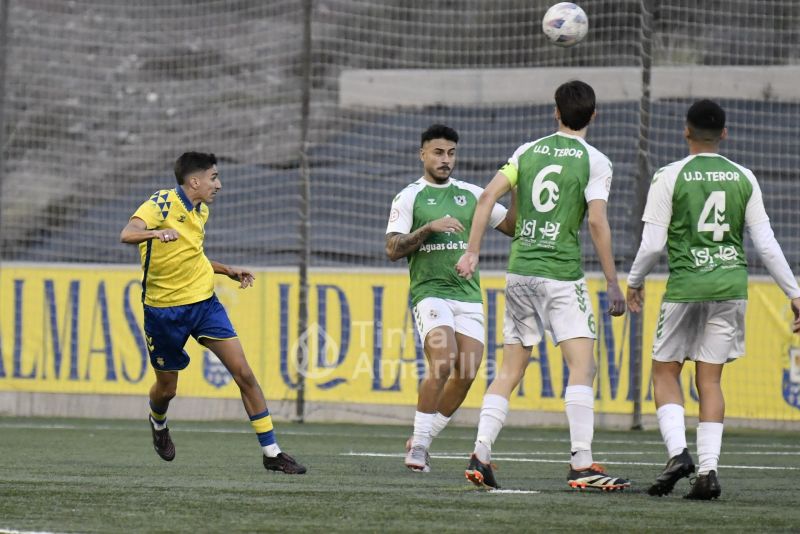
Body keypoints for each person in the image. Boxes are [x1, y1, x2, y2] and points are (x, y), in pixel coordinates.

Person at [455, 80, 629, 490]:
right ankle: (582, 463)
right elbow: (598, 222)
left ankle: (481, 452)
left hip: (519, 273)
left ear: (556, 111)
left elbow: (487, 200)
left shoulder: (526, 152)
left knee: (512, 368)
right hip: (561, 275)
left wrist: (473, 251)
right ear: (594, 115)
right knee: (582, 365)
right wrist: (612, 281)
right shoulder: (595, 160)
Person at [626, 99, 800, 500]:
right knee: (710, 379)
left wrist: (635, 281)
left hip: (687, 288)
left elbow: (652, 245)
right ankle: (708, 471)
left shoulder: (669, 175)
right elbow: (767, 245)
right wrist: (794, 293)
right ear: (724, 133)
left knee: (665, 372)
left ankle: (677, 454)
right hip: (730, 289)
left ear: (685, 131)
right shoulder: (744, 177)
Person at [120, 151, 306, 474]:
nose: (218, 185)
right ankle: (158, 422)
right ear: (194, 181)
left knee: (244, 373)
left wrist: (226, 270)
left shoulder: (200, 211)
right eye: (213, 178)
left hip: (204, 304)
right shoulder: (162, 203)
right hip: (164, 312)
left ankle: (272, 452)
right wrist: (154, 233)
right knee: (167, 389)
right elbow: (127, 233)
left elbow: (194, 255)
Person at [386, 124, 515, 472]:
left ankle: (421, 440)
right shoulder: (410, 196)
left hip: (468, 295)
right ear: (422, 154)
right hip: (430, 294)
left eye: (451, 153)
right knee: (443, 361)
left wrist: (517, 187)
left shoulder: (473, 194)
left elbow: (513, 227)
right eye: (439, 152)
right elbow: (393, 249)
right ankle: (420, 446)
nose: (446, 160)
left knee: (468, 370)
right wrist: (429, 228)